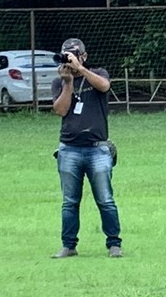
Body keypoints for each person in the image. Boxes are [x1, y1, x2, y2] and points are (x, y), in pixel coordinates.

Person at [49, 38, 122, 258]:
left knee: (105, 199)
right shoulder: (60, 81)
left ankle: (114, 244)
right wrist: (68, 82)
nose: (69, 60)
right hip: (69, 148)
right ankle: (68, 245)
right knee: (70, 201)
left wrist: (80, 69)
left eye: (73, 55)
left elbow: (105, 86)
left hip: (97, 149)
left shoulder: (98, 73)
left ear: (84, 56)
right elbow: (61, 110)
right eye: (66, 55)